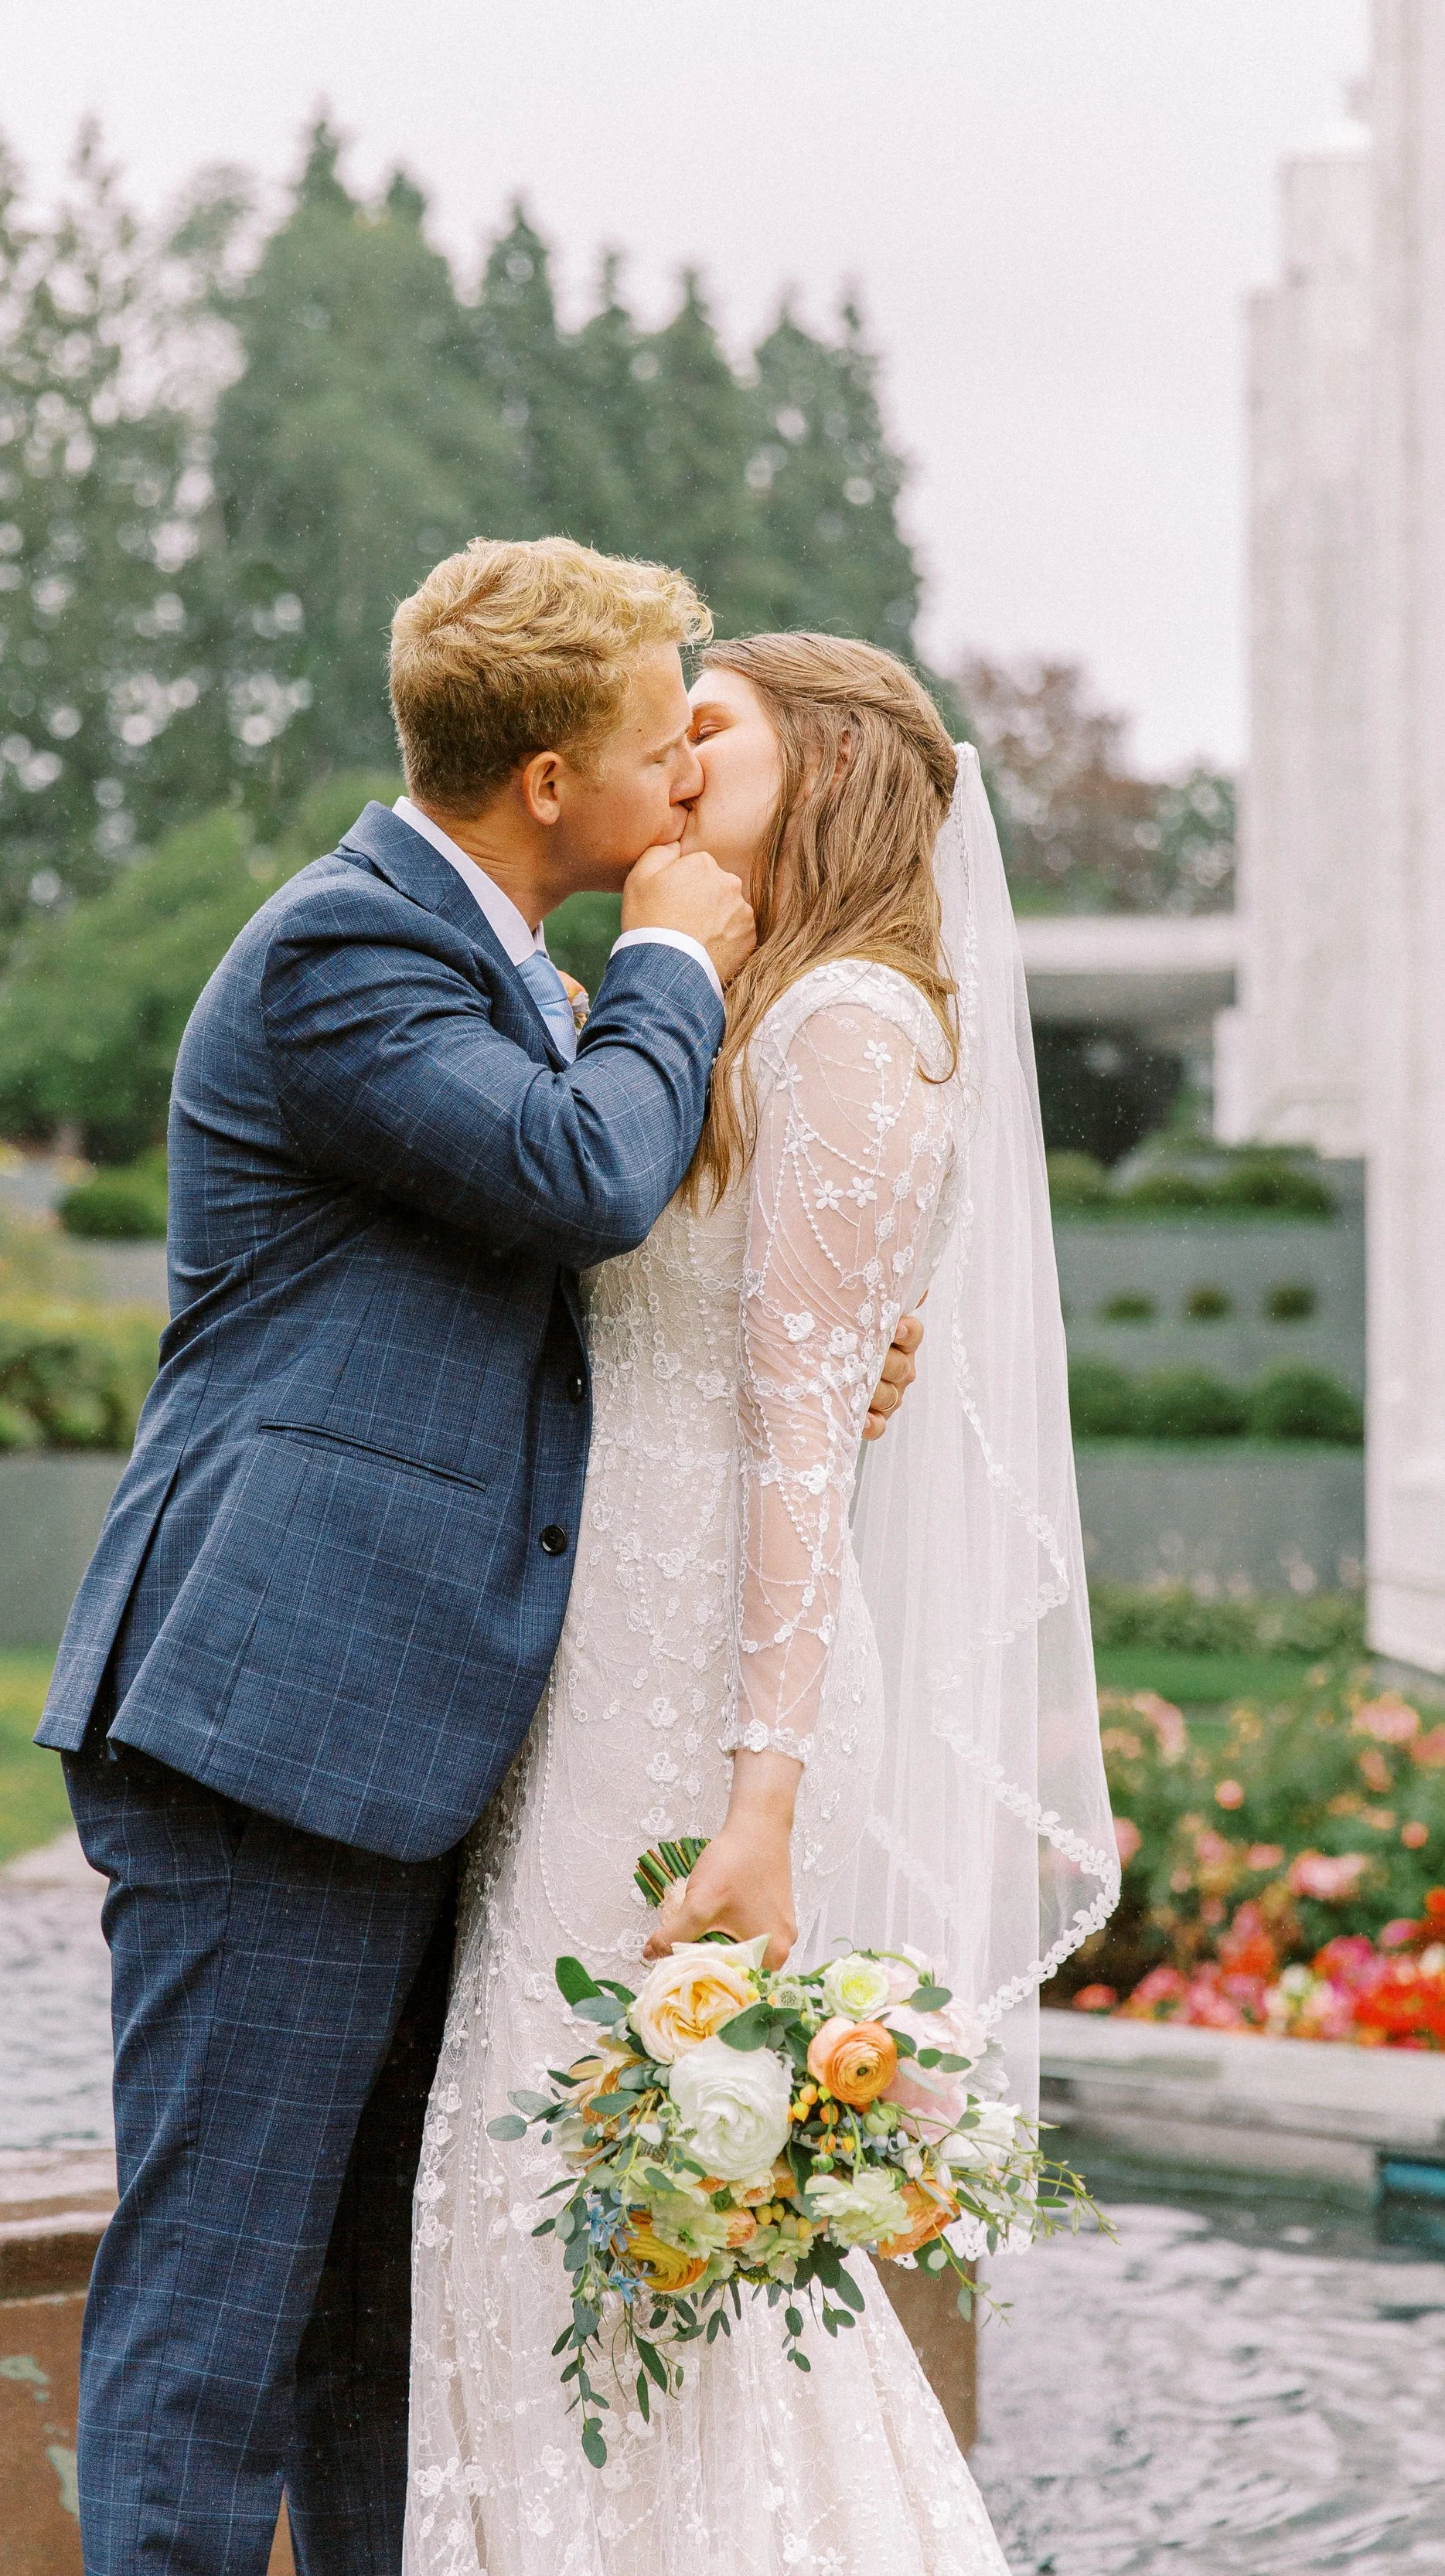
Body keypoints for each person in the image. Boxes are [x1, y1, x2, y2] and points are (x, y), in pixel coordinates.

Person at [33, 541, 922, 2576]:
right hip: (271, 1720)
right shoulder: (342, 953)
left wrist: (812, 1342)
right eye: (652, 744)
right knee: (213, 2332)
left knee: (382, 2345)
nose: (679, 791)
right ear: (548, 786)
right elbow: (586, 1178)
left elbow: (572, 1283)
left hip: (440, 1735)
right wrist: (679, 955)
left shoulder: (496, 962)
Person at [407, 635, 1120, 2574]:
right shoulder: (737, 1017)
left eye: (705, 726)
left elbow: (805, 1439)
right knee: (548, 2195)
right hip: (603, 1650)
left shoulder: (845, 1034)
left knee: (605, 2211)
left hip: (713, 1686)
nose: (667, 752)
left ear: (827, 768)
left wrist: (764, 1802)